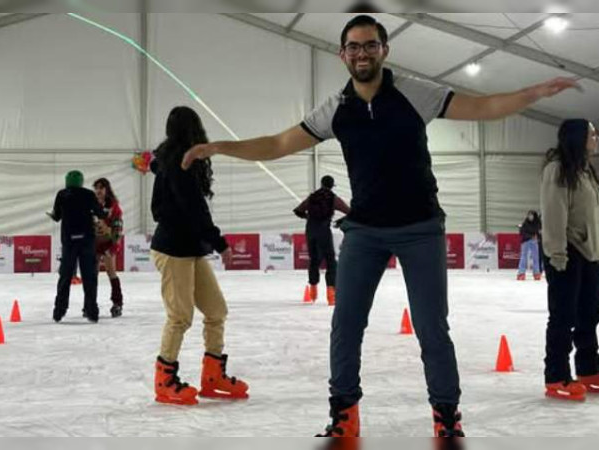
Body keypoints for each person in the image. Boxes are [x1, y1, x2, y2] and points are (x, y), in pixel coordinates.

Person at [182, 14, 579, 438]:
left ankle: (446, 414)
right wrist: (221, 147)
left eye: (370, 45)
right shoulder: (336, 108)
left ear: (384, 50)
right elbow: (279, 144)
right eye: (353, 46)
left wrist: (532, 93)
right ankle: (343, 412)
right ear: (343, 55)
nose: (362, 53)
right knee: (346, 324)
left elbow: (482, 107)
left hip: (420, 227)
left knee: (431, 327)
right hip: (365, 230)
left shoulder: (414, 93)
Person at [150, 106, 248, 406]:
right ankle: (164, 381)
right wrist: (220, 243)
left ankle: (212, 375)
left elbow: (158, 209)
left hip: (190, 249)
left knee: (216, 310)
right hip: (173, 250)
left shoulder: (176, 164)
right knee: (180, 316)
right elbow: (194, 209)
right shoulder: (178, 165)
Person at [540, 119, 599, 401]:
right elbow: (554, 214)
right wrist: (557, 254)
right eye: (591, 134)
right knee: (563, 316)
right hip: (566, 253)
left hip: (589, 253)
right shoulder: (558, 169)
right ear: (578, 138)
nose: (595, 138)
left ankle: (588, 370)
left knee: (589, 314)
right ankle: (557, 376)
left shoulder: (586, 171)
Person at [50, 170, 106, 323]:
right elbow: (101, 214)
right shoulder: (88, 194)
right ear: (81, 181)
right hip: (87, 240)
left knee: (65, 276)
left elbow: (56, 217)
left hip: (69, 241)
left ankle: (59, 311)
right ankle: (92, 311)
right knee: (89, 277)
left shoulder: (61, 194)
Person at [294, 175, 350, 305]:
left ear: (321, 184)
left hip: (310, 231)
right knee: (331, 261)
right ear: (332, 186)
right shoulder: (334, 198)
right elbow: (350, 212)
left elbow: (298, 211)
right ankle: (331, 294)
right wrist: (340, 222)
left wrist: (308, 217)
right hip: (324, 231)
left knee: (314, 260)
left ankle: (313, 290)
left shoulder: (312, 197)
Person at [93, 178, 125, 318]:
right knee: (91, 273)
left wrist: (109, 232)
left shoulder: (113, 206)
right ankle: (90, 303)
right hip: (95, 242)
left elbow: (118, 228)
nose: (98, 191)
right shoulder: (92, 204)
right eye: (96, 188)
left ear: (107, 189)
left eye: (101, 188)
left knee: (110, 270)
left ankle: (117, 303)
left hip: (109, 242)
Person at [517, 210, 543, 281]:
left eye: (531, 215)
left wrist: (538, 238)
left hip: (534, 242)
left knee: (536, 258)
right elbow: (522, 232)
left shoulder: (537, 223)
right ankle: (521, 273)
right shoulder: (525, 223)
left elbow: (539, 232)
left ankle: (536, 273)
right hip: (526, 241)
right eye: (529, 215)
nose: (530, 217)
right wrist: (530, 236)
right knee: (523, 257)